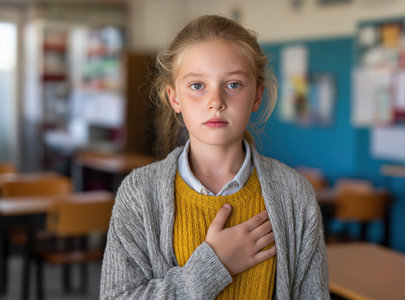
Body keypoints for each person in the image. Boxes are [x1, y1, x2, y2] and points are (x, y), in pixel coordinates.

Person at [100, 15, 329, 299]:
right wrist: (213, 265)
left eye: (233, 84)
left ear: (257, 96)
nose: (216, 101)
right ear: (174, 98)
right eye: (197, 86)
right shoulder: (139, 193)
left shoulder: (295, 194)